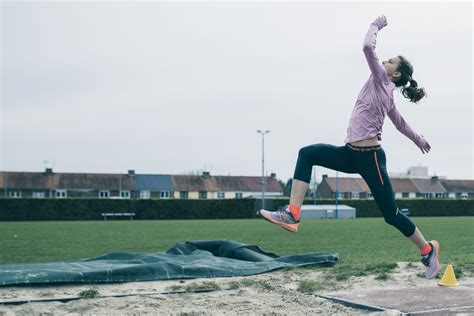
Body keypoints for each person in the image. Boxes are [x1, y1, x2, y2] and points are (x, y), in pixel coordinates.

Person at [259, 15, 440, 279]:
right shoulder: (383, 89)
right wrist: (419, 139)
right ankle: (292, 214)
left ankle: (427, 250)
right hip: (350, 154)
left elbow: (368, 48)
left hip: (370, 159)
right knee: (307, 153)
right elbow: (401, 125)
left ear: (395, 73)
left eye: (390, 62)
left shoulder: (381, 81)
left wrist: (376, 25)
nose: (384, 62)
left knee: (391, 214)